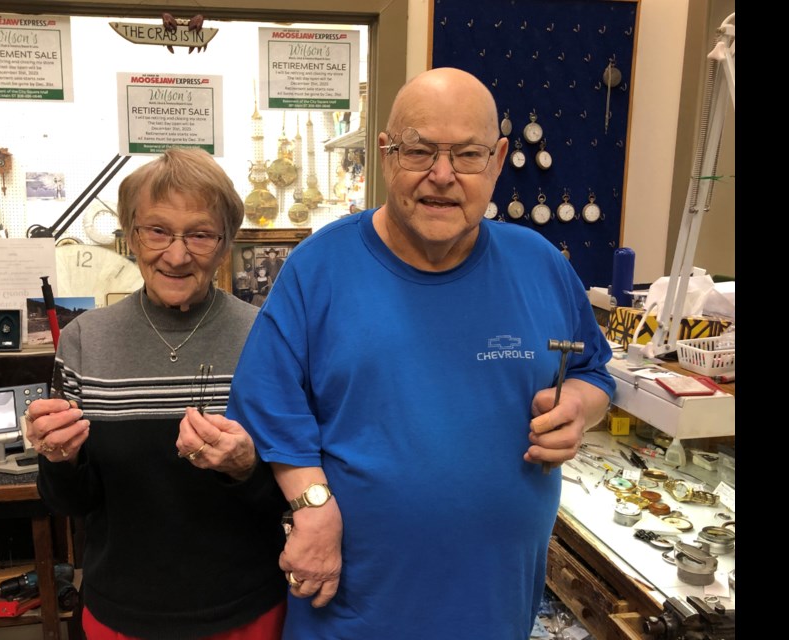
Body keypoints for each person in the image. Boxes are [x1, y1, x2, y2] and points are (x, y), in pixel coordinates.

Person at [225, 68, 615, 639]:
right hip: (355, 611)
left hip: (495, 609)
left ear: (499, 159)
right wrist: (311, 503)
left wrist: (580, 406)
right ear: (386, 153)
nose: (441, 175)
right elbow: (267, 403)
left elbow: (594, 372)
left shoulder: (541, 264)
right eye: (419, 150)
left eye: (467, 154)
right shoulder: (319, 268)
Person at [25, 147, 288, 639]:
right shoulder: (87, 339)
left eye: (201, 234)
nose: (177, 253)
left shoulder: (267, 337)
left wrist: (246, 467)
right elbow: (69, 502)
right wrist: (57, 457)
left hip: (244, 612)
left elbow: (290, 493)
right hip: (120, 614)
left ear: (226, 243)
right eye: (158, 230)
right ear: (130, 237)